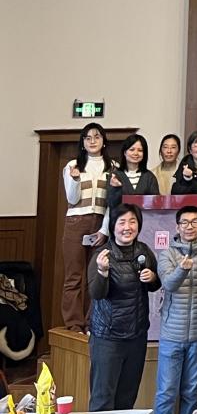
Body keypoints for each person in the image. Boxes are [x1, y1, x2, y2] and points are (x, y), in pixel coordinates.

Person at [151, 205, 197, 414]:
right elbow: (168, 283)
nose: (189, 227)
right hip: (171, 335)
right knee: (166, 392)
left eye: (194, 222)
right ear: (177, 227)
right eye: (184, 222)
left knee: (191, 393)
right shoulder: (167, 254)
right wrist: (182, 269)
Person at [87, 203, 160, 410]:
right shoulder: (102, 255)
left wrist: (153, 277)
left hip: (136, 336)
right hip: (107, 338)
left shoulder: (144, 251)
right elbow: (96, 294)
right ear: (113, 226)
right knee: (102, 399)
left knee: (127, 399)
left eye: (132, 222)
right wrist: (102, 272)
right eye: (122, 222)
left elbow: (154, 286)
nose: (127, 227)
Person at [62, 122, 113, 332]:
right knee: (73, 276)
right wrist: (75, 180)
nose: (92, 141)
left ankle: (92, 323)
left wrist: (104, 230)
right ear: (82, 142)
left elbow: (112, 203)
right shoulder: (72, 165)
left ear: (103, 141)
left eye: (97, 137)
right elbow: (72, 199)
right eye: (88, 137)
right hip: (75, 222)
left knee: (96, 275)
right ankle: (74, 325)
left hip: (100, 223)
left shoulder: (113, 167)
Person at [105, 133, 161, 213]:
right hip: (121, 219)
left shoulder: (149, 177)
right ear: (125, 152)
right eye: (132, 149)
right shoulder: (115, 175)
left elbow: (155, 204)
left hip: (145, 219)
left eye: (140, 150)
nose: (136, 153)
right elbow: (111, 204)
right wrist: (116, 189)